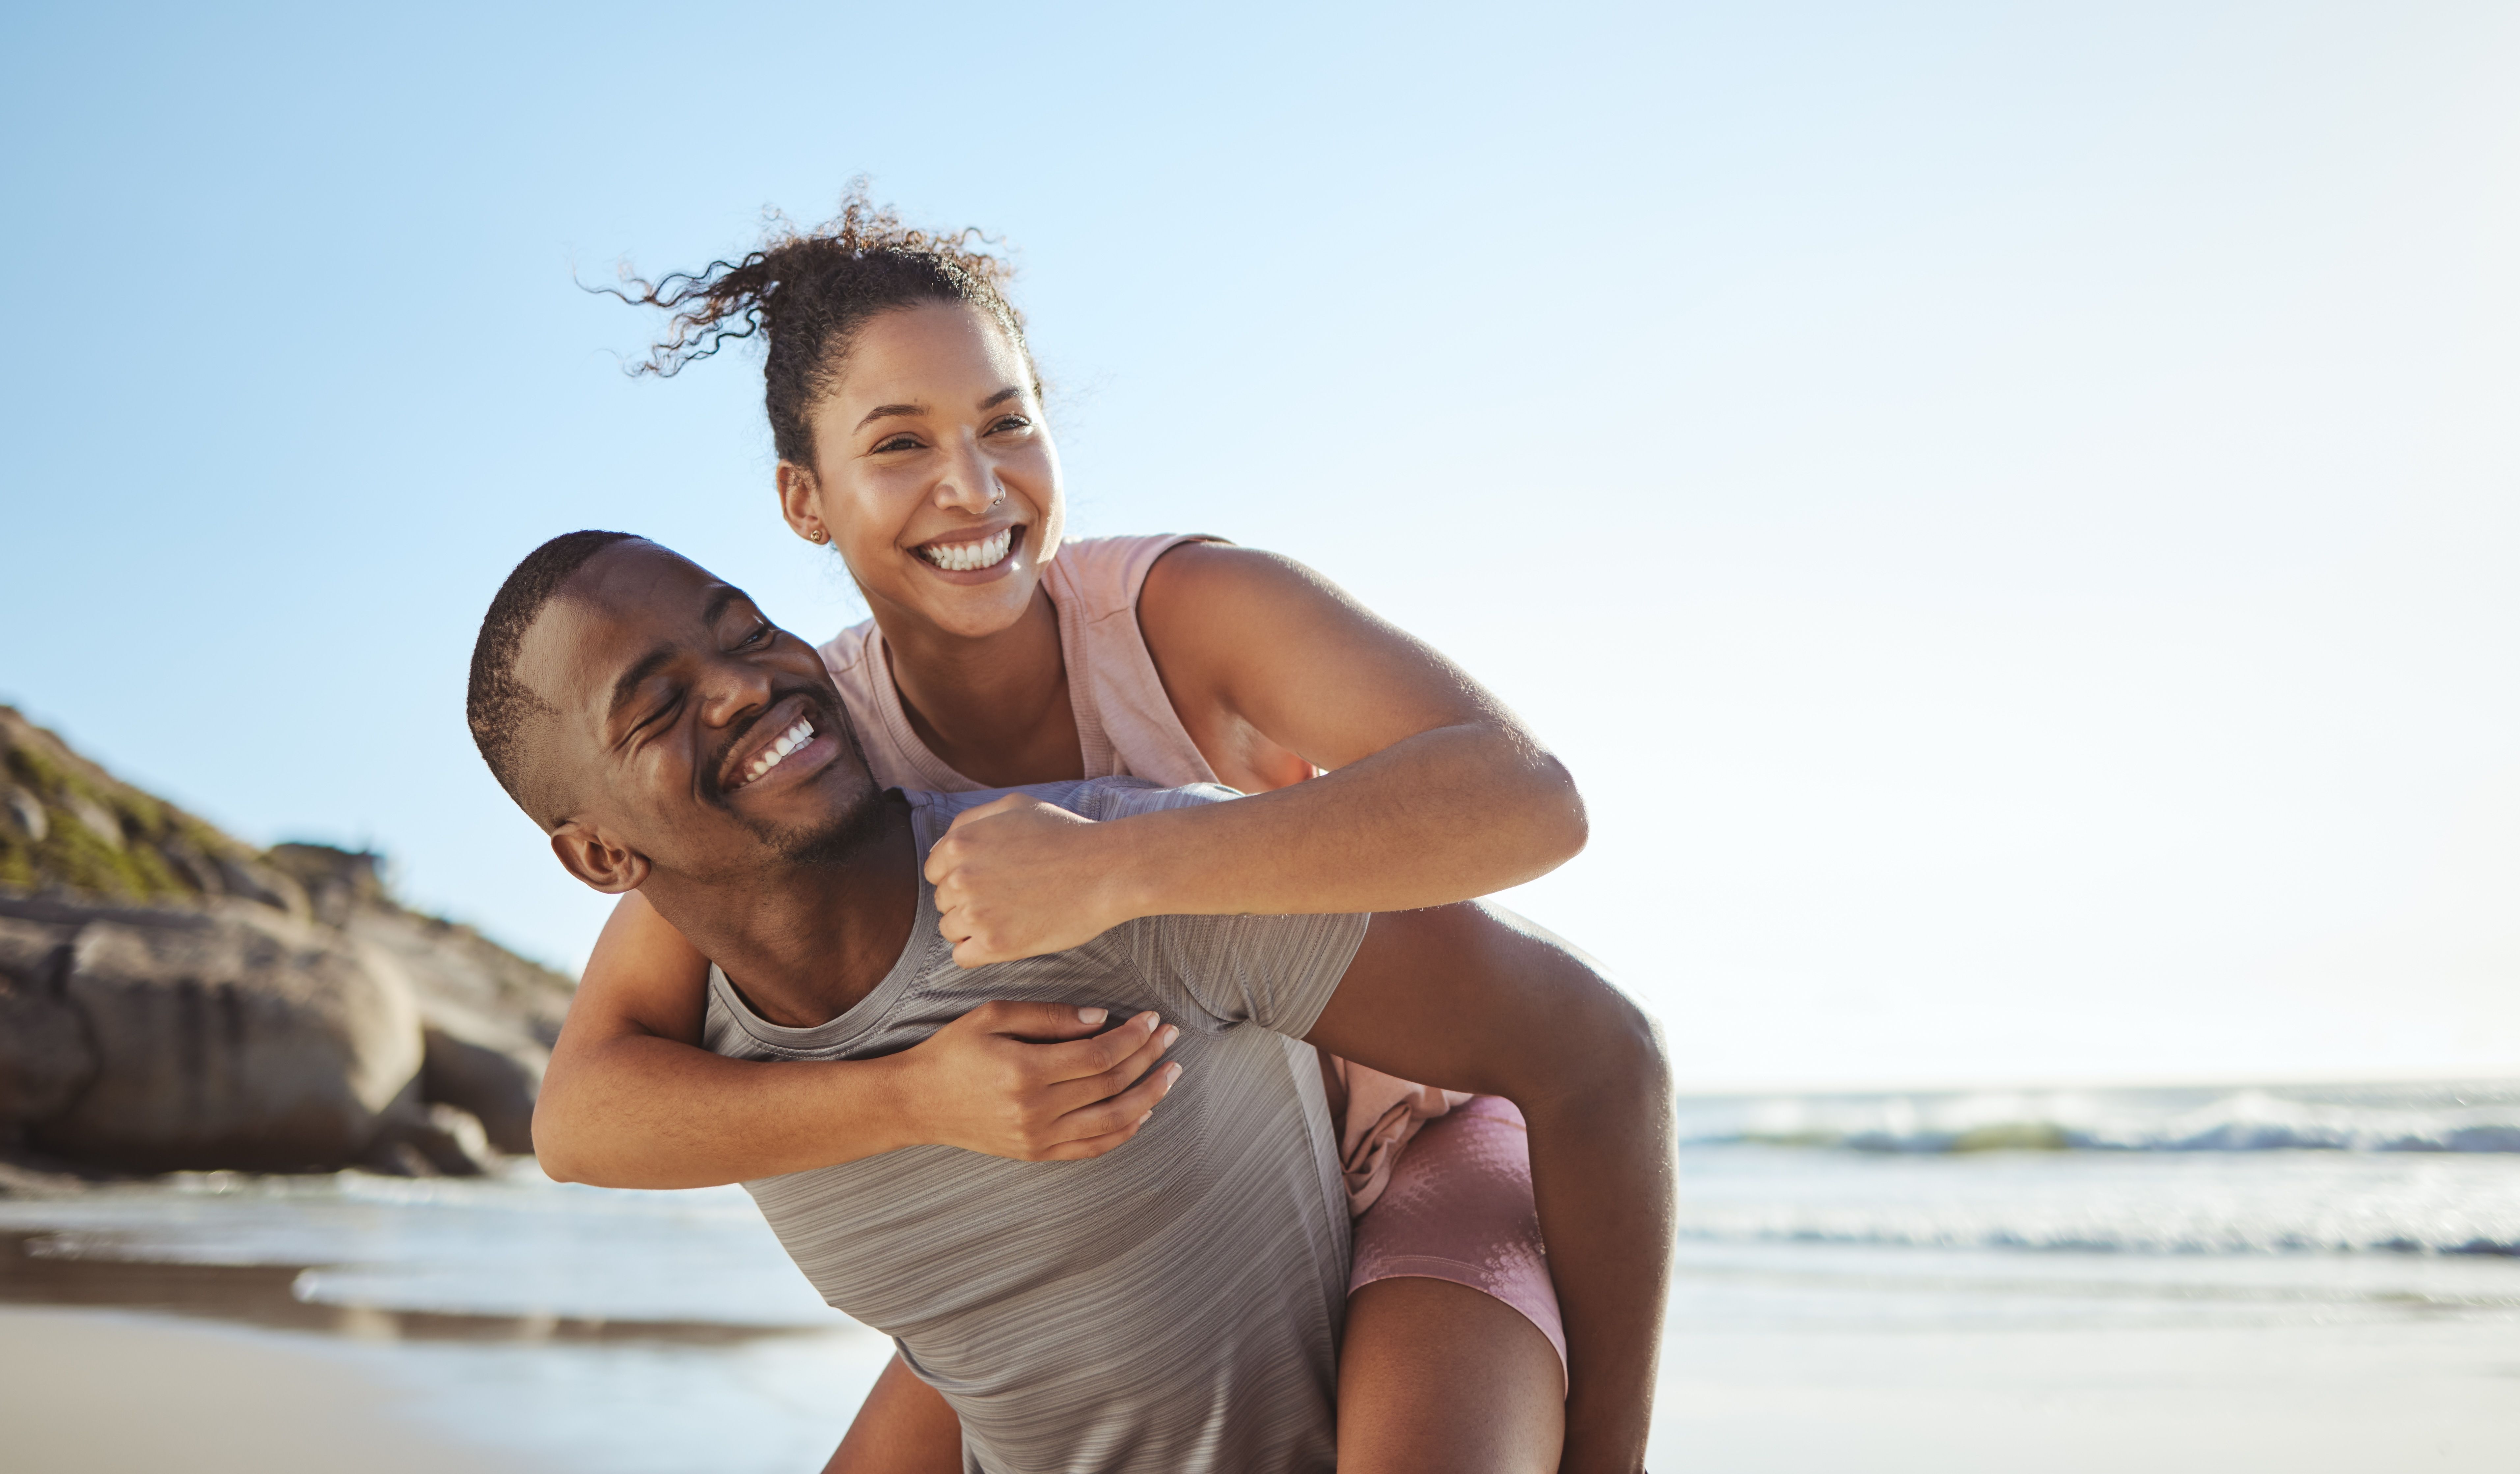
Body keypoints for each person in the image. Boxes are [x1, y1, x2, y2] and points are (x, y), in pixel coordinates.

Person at [535, 192, 1631, 1471]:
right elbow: (582, 1117)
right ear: (804, 498)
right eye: (897, 445)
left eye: (1007, 424)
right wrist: (913, 1098)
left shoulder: (1180, 615)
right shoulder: (812, 748)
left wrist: (1115, 868)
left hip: (1402, 1152)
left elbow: (1525, 800)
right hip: (1135, 1231)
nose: (971, 485)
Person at [471, 532, 1675, 1474]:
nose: (739, 687)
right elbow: (573, 1128)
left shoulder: (1092, 872)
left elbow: (1600, 1051)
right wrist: (913, 1097)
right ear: (600, 856)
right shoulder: (691, 1035)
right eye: (658, 706)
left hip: (1419, 1199)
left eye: (746, 631)